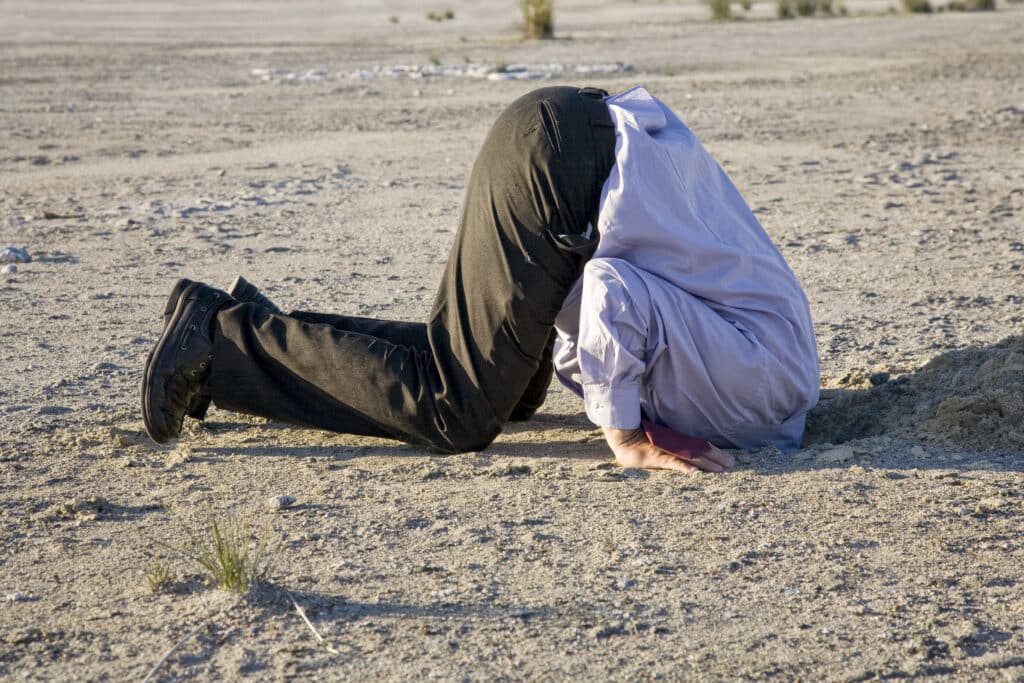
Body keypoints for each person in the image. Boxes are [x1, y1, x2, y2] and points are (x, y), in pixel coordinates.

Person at [142, 85, 819, 473]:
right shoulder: (757, 396)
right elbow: (615, 292)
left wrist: (613, 390)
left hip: (562, 145)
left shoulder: (770, 372)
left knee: (499, 392)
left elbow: (609, 315)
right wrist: (628, 438)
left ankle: (253, 329)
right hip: (562, 178)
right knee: (457, 407)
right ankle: (219, 342)